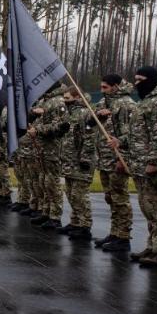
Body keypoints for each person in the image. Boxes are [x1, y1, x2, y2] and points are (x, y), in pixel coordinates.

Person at [124, 66, 157, 267]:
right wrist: (121, 142)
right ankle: (153, 246)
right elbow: (139, 133)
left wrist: (153, 162)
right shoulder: (145, 101)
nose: (136, 83)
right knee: (147, 208)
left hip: (151, 165)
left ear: (150, 80)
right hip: (139, 164)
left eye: (140, 79)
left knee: (156, 208)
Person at [93, 75, 135, 252]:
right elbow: (91, 121)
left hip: (116, 158)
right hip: (104, 158)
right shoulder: (105, 102)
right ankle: (115, 232)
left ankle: (123, 237)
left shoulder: (126, 104)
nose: (102, 91)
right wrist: (98, 115)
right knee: (110, 197)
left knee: (120, 198)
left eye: (105, 87)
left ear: (115, 86)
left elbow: (131, 134)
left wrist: (121, 158)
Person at [57, 86, 96, 241]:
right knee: (71, 193)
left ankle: (85, 226)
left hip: (80, 161)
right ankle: (75, 222)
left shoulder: (86, 113)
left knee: (79, 195)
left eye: (68, 98)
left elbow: (90, 137)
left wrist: (85, 158)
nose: (65, 101)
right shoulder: (69, 114)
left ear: (77, 97)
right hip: (69, 160)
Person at [27, 84, 68, 229]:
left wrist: (38, 130)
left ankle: (55, 216)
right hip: (42, 149)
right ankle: (46, 212)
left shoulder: (58, 102)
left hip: (52, 149)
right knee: (44, 182)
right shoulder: (44, 101)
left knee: (53, 183)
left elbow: (61, 126)